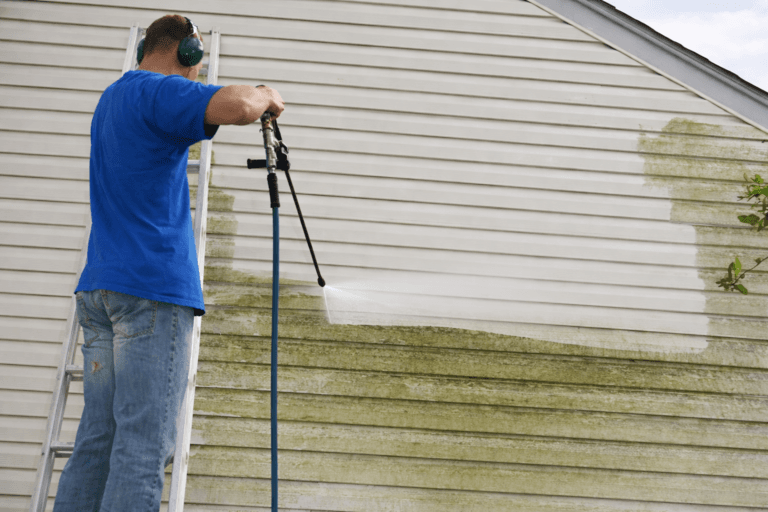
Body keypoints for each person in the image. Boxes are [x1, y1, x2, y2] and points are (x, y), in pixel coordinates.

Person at [52, 14, 284, 512]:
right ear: (188, 54)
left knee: (98, 440)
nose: (198, 74)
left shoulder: (112, 98)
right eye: (196, 64)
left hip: (101, 293)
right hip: (151, 295)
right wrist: (267, 93)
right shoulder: (158, 91)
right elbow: (240, 106)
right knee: (142, 446)